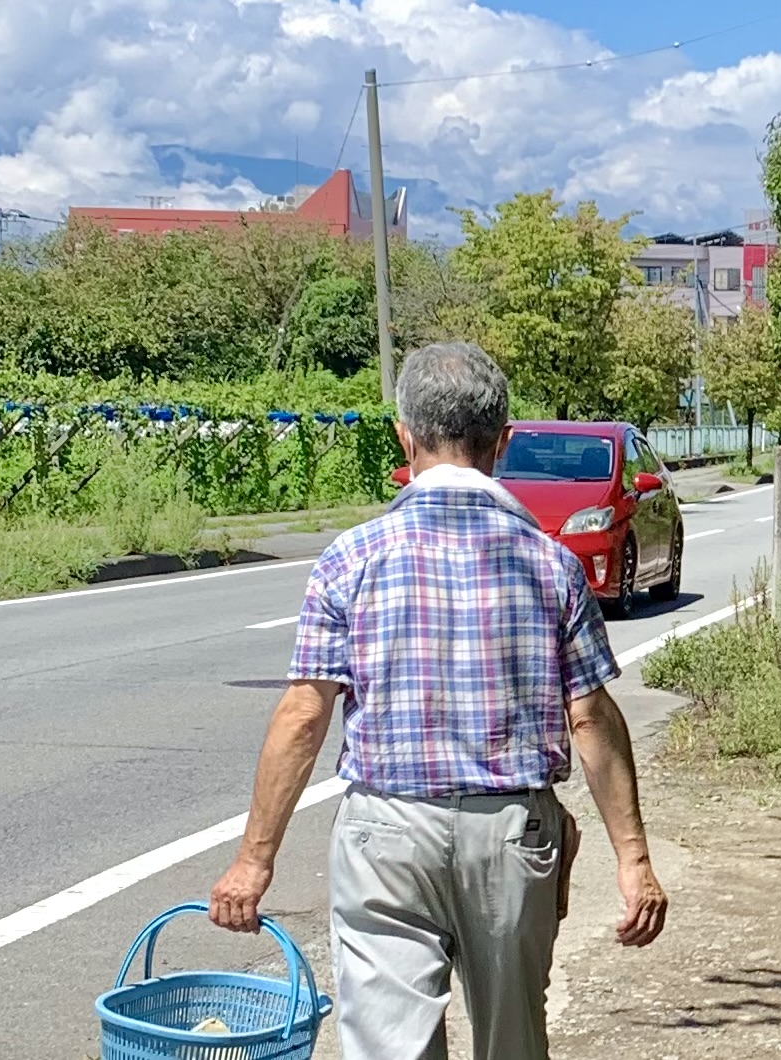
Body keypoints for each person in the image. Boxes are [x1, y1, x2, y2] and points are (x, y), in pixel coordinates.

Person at [209, 340, 668, 1060]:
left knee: (389, 1047)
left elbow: (304, 713)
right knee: (513, 1043)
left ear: (405, 436)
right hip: (511, 834)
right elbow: (590, 716)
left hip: (386, 834)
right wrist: (632, 858)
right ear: (503, 443)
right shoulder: (551, 564)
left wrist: (254, 861)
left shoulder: (352, 558)